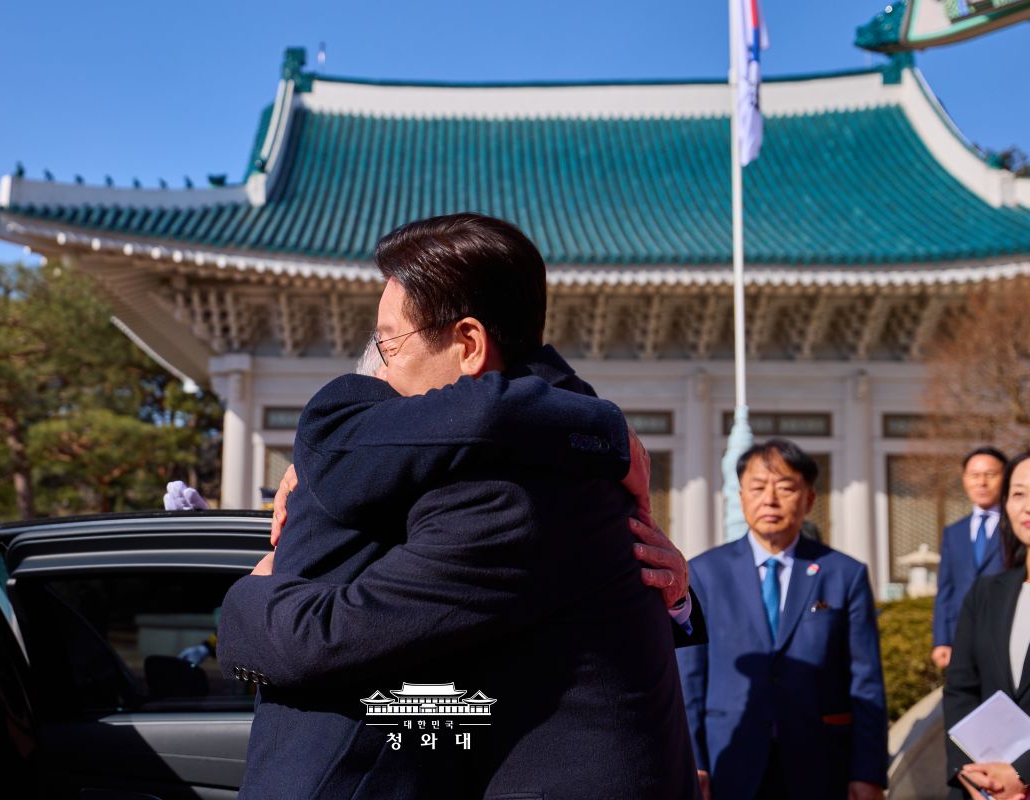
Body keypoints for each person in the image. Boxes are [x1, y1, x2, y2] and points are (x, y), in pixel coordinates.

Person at [216, 213, 701, 799]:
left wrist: (250, 595)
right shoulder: (553, 450)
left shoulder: (512, 491)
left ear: (468, 344)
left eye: (389, 343)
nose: (382, 371)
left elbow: (333, 638)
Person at [676, 438, 887, 800]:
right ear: (740, 497)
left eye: (785, 487)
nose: (770, 499)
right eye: (757, 488)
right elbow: (688, 680)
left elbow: (865, 681)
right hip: (730, 758)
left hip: (820, 761)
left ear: (809, 499)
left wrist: (868, 772)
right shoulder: (703, 574)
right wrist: (693, 763)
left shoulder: (843, 574)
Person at [943, 451, 1030, 800]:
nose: (1028, 506)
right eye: (1019, 493)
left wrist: (1022, 773)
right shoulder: (986, 593)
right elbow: (961, 689)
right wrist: (970, 774)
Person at [933, 446, 1010, 669]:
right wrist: (941, 640)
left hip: (1005, 630)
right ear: (964, 478)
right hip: (962, 635)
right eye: (974, 475)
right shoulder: (953, 532)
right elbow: (945, 590)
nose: (981, 483)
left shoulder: (1016, 528)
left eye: (990, 475)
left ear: (1005, 477)